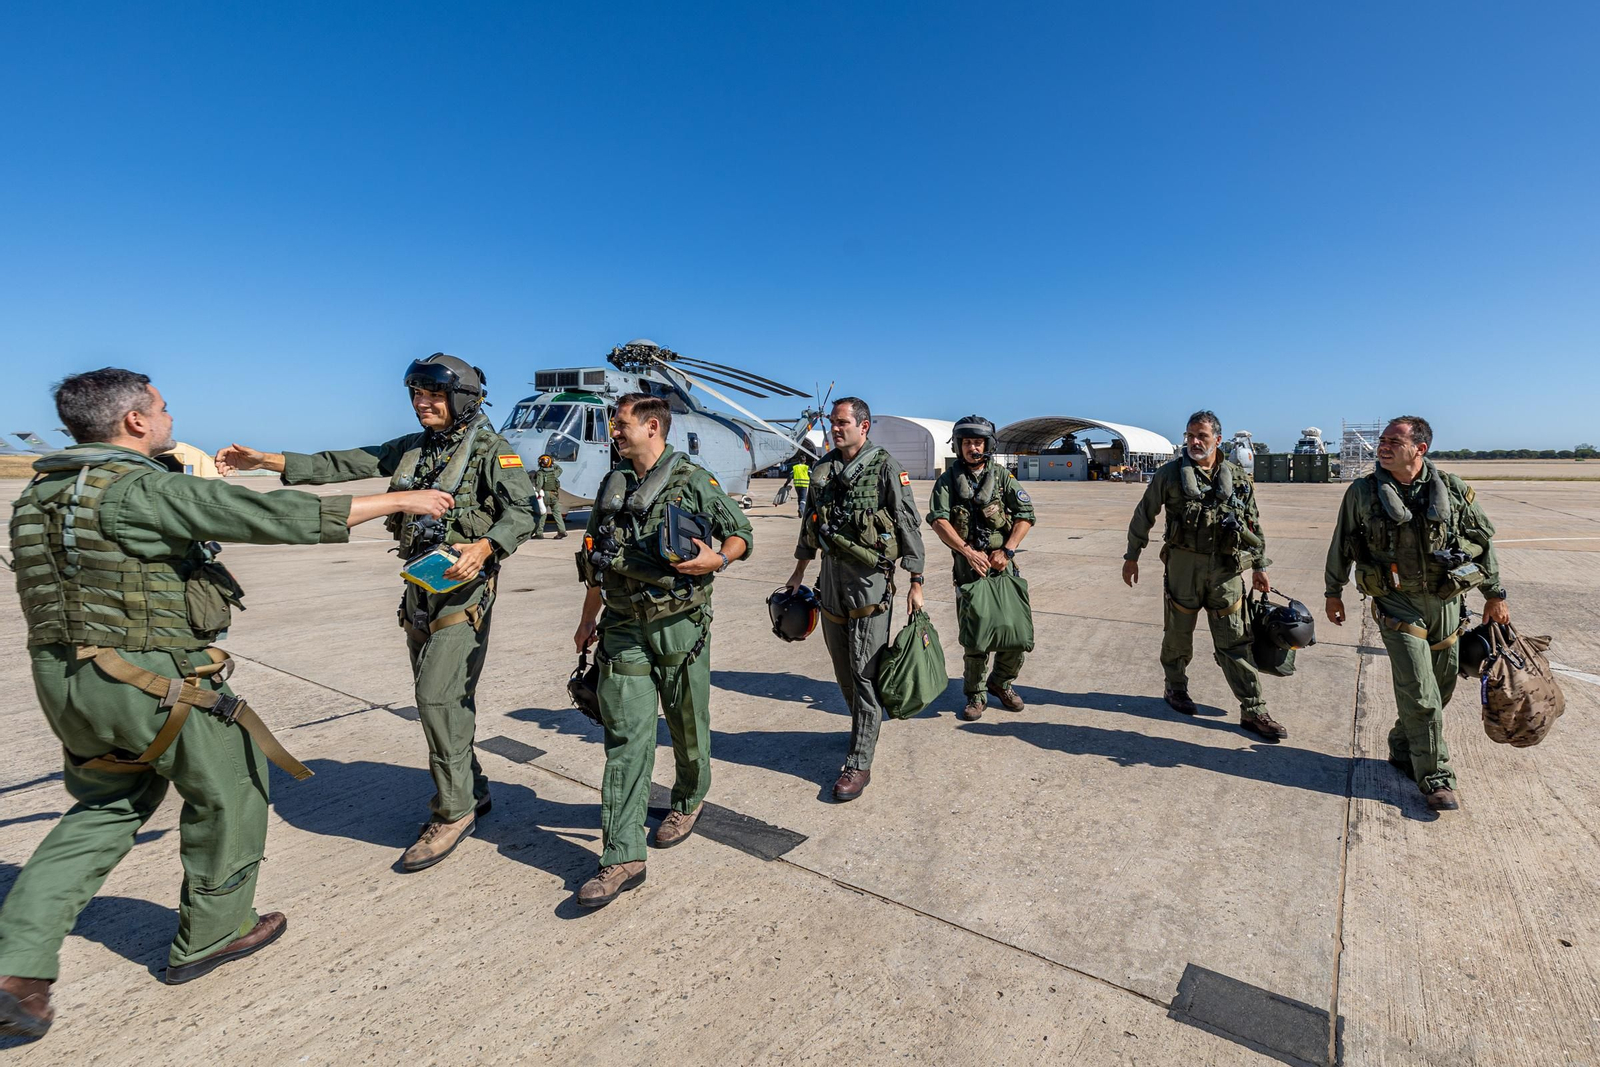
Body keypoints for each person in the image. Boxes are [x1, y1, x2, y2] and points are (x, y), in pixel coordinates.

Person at [0, 369, 453, 1039]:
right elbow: (270, 516)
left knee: (105, 806)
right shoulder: (141, 487)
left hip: (65, 681)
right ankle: (216, 930)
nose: (169, 416)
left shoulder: (41, 494)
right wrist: (401, 499)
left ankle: (17, 967)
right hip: (147, 677)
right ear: (134, 421)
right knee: (234, 786)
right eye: (161, 408)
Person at [215, 353, 537, 871]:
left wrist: (485, 547)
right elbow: (342, 463)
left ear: (462, 399)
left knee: (436, 697)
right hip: (420, 588)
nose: (421, 403)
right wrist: (266, 461)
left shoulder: (492, 452)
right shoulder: (414, 448)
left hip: (464, 592)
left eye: (433, 395)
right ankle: (472, 788)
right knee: (444, 702)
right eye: (416, 394)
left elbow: (524, 511)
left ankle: (453, 812)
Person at [571, 393, 752, 907]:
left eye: (621, 423)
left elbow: (741, 533)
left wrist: (718, 560)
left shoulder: (693, 480)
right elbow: (596, 559)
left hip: (679, 628)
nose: (613, 431)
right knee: (626, 738)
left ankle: (690, 797)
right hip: (622, 627)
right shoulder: (612, 484)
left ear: (652, 427)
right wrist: (587, 619)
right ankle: (622, 855)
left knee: (686, 723)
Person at [1324, 416, 1507, 811]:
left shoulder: (1452, 489)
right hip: (1397, 603)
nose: (1383, 446)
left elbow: (1481, 541)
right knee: (1420, 693)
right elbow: (1341, 543)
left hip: (1446, 603)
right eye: (1383, 440)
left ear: (1420, 449)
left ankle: (1403, 746)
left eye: (1394, 441)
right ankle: (1436, 778)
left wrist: (1494, 595)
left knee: (1441, 688)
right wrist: (1332, 592)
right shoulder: (1362, 493)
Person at [785, 397, 926, 801]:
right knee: (843, 670)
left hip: (869, 583)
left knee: (864, 671)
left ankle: (859, 761)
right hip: (830, 579)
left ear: (863, 426)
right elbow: (809, 524)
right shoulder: (823, 469)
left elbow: (907, 523)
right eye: (833, 422)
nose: (835, 428)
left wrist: (916, 580)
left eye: (842, 422)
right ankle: (863, 728)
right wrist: (798, 572)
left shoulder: (885, 468)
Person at [1123, 410, 1287, 740]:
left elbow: (1252, 522)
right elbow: (1145, 514)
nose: (1194, 442)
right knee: (1177, 634)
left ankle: (1253, 708)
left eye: (1202, 436)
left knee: (1235, 638)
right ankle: (1175, 688)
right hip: (1184, 566)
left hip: (1226, 570)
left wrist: (1260, 566)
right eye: (1190, 436)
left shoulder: (1237, 477)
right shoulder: (1170, 475)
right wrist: (1132, 556)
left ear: (1218, 440)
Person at [926, 415, 1036, 720]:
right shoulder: (948, 480)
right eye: (966, 443)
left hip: (1002, 566)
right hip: (968, 569)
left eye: (977, 442)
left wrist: (1008, 550)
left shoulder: (1002, 477)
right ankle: (975, 694)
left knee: (1015, 631)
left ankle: (1001, 683)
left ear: (987, 445)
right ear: (958, 446)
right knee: (976, 636)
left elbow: (1026, 514)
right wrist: (967, 551)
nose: (972, 448)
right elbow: (938, 520)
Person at [531, 453, 568, 539]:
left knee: (542, 513)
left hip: (545, 495)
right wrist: (552, 463)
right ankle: (562, 531)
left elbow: (539, 485)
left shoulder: (540, 473)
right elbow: (560, 469)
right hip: (554, 494)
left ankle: (539, 533)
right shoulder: (554, 472)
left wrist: (536, 492)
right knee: (557, 513)